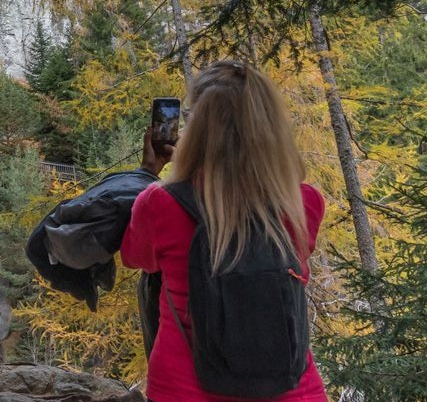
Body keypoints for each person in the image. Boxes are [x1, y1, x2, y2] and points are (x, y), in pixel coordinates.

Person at [120, 60, 329, 402]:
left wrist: (151, 171)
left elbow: (135, 258)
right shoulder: (304, 203)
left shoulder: (159, 205)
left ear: (195, 132)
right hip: (293, 391)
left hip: (184, 390)